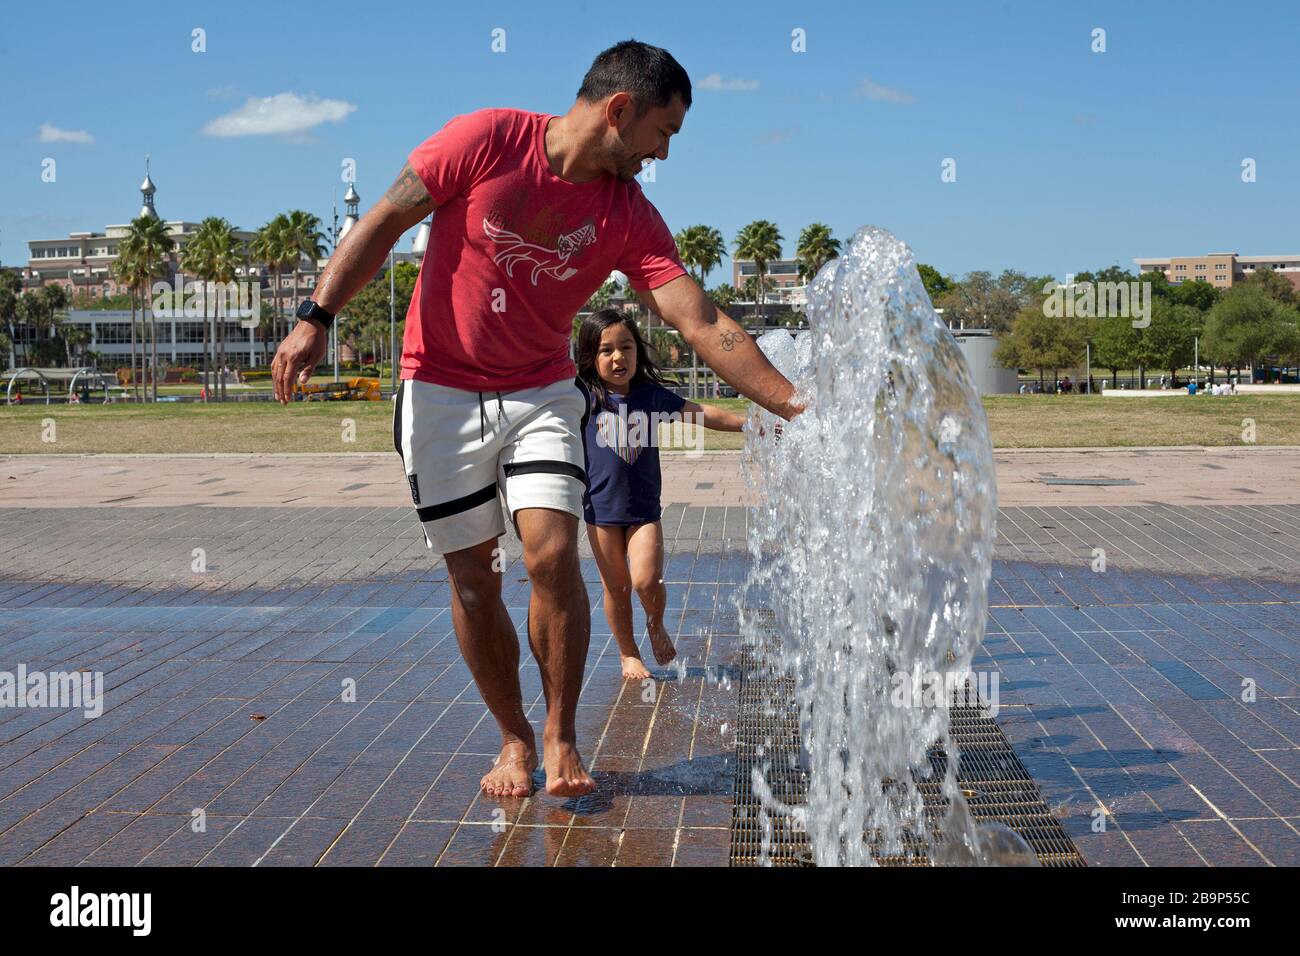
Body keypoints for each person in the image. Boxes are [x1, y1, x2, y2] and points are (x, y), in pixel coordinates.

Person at [269, 40, 803, 799]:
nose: (662, 154)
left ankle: (559, 734)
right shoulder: (484, 139)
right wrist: (316, 315)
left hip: (542, 390)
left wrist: (792, 403)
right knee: (475, 582)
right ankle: (513, 738)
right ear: (621, 110)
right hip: (438, 390)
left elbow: (699, 317)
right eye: (664, 133)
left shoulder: (628, 214)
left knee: (551, 557)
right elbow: (385, 220)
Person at [577, 308, 746, 680]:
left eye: (626, 347)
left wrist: (749, 425)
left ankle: (655, 624)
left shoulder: (650, 397)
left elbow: (701, 413)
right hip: (599, 511)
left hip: (642, 510)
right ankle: (628, 654)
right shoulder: (584, 398)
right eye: (607, 350)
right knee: (616, 587)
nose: (619, 356)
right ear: (591, 357)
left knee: (645, 580)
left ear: (638, 351)